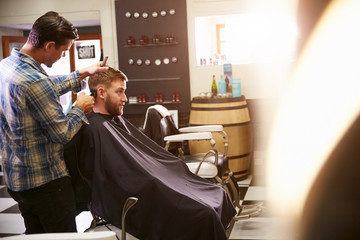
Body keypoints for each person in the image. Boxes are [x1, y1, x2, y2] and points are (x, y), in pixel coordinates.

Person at [64, 67, 236, 240]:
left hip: (152, 185)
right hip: (138, 195)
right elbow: (114, 179)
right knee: (204, 214)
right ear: (101, 92)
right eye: (120, 92)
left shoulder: (113, 121)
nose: (125, 99)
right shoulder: (95, 128)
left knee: (217, 193)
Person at [0, 11, 108, 234]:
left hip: (16, 179)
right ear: (49, 45)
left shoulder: (7, 66)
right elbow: (63, 134)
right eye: (63, 51)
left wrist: (82, 73)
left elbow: (43, 88)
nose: (62, 56)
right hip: (46, 183)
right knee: (61, 238)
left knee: (36, 235)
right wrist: (80, 108)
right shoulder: (34, 81)